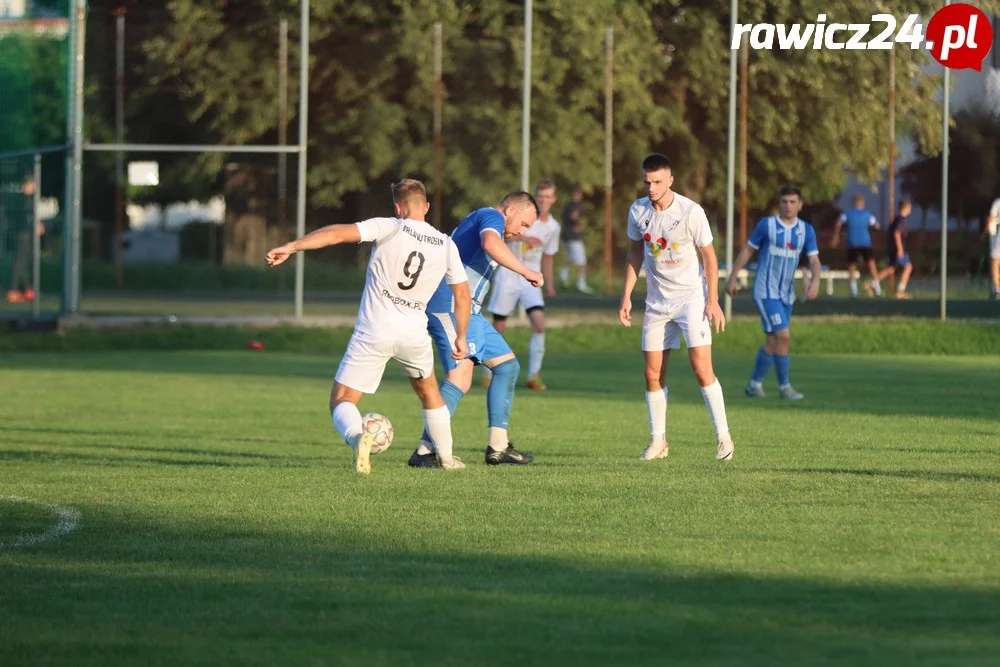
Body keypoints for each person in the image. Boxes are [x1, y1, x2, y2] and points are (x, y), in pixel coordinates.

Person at [264, 179, 471, 474]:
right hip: (414, 334)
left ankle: (358, 437)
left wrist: (292, 246)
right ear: (425, 207)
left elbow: (337, 234)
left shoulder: (390, 226)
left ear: (398, 207)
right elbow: (462, 295)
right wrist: (461, 336)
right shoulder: (447, 244)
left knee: (342, 399)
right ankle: (448, 459)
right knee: (430, 393)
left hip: (375, 329)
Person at [409, 192, 544, 468]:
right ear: (509, 210)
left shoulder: (487, 220)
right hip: (449, 305)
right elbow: (490, 242)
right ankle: (425, 450)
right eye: (524, 223)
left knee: (507, 366)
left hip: (470, 312)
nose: (522, 231)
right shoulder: (490, 216)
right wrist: (526, 271)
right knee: (460, 378)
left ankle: (498, 446)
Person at [618, 153, 734, 462]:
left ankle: (723, 437)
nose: (652, 188)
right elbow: (634, 254)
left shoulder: (690, 212)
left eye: (657, 182)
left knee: (701, 368)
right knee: (652, 374)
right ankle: (659, 442)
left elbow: (709, 257)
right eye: (647, 182)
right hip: (657, 303)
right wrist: (626, 296)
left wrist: (713, 299)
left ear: (670, 180)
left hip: (691, 299)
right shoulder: (638, 211)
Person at [726, 185, 822, 400]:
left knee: (773, 340)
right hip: (766, 291)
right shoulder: (767, 225)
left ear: (800, 205)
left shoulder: (805, 230)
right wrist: (733, 276)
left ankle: (754, 384)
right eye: (784, 202)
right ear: (779, 203)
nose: (788, 206)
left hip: (787, 294)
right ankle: (785, 387)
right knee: (783, 336)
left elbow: (814, 260)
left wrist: (816, 282)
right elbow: (748, 250)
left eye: (792, 202)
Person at [487, 179, 560, 391]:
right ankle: (487, 371)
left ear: (553, 199)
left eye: (548, 197)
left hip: (531, 282)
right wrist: (524, 238)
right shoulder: (526, 217)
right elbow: (501, 238)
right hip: (508, 276)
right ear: (536, 197)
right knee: (498, 327)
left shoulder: (553, 227)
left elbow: (548, 256)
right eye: (541, 196)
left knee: (539, 324)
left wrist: (550, 283)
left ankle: (533, 375)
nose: (544, 200)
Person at [832, 193, 881, 298]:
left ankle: (853, 291)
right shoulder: (867, 214)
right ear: (862, 203)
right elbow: (877, 225)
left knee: (852, 266)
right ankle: (877, 288)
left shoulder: (847, 214)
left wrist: (836, 236)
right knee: (871, 264)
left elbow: (838, 223)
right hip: (865, 243)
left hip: (852, 243)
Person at [3, 175, 43, 304]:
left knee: (23, 261)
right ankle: (13, 290)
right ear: (28, 185)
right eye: (33, 185)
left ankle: (28, 289)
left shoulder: (22, 199)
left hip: (23, 232)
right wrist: (37, 224)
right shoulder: (24, 199)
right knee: (20, 261)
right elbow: (29, 215)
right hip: (24, 233)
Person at [876, 200, 914, 300]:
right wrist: (900, 249)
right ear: (906, 208)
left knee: (891, 269)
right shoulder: (901, 219)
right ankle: (900, 292)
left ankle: (873, 283)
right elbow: (897, 234)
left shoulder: (896, 219)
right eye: (910, 207)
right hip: (898, 248)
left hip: (892, 248)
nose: (911, 210)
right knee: (908, 267)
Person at [558, 186, 592, 293]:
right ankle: (581, 284)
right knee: (582, 260)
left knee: (570, 257)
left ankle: (562, 276)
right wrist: (577, 225)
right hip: (573, 237)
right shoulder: (574, 206)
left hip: (566, 236)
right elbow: (574, 217)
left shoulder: (567, 206)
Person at [985, 197, 1000, 299]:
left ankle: (997, 290)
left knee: (995, 262)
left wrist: (985, 232)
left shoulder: (998, 202)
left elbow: (991, 217)